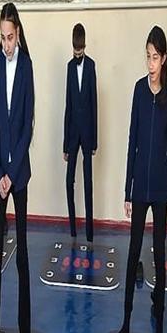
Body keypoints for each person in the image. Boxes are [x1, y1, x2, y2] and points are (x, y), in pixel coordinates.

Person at [118, 26, 167, 333]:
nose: (150, 63)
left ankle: (159, 328)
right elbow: (132, 140)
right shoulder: (138, 90)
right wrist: (127, 190)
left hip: (161, 190)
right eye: (147, 57)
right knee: (133, 252)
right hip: (140, 189)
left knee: (159, 256)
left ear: (164, 59)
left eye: (155, 57)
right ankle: (125, 324)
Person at [0, 2, 35, 333]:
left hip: (19, 175)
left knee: (22, 254)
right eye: (2, 37)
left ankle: (24, 328)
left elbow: (27, 125)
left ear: (18, 34)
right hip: (0, 172)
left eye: (11, 37)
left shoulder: (27, 66)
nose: (6, 44)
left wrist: (12, 173)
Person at [63, 23, 97, 243]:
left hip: (87, 134)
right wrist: (65, 144)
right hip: (73, 134)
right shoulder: (69, 67)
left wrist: (94, 141)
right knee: (69, 181)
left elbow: (94, 103)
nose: (77, 53)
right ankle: (73, 229)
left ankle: (90, 231)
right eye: (75, 49)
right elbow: (68, 104)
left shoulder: (91, 65)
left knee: (88, 183)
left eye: (80, 49)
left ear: (84, 45)